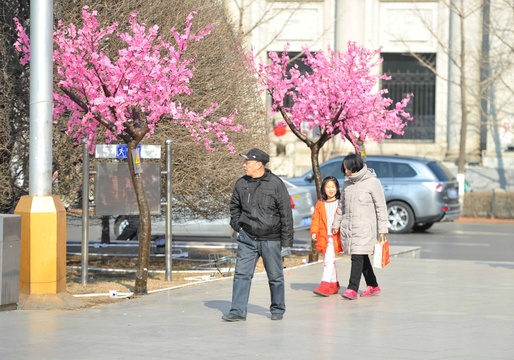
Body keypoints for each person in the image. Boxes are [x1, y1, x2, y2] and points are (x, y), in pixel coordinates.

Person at [222, 148, 294, 322]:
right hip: (247, 238)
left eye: (248, 162)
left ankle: (277, 309)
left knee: (275, 277)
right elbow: (234, 207)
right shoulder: (241, 183)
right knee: (241, 275)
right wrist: (238, 226)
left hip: (271, 239)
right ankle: (237, 311)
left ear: (259, 165)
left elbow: (286, 213)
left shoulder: (275, 184)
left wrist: (286, 241)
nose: (244, 165)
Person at [333, 153, 388, 300]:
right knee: (361, 256)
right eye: (344, 169)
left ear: (355, 166)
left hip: (365, 228)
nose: (345, 172)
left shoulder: (372, 182)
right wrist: (336, 223)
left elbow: (381, 206)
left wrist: (383, 229)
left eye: (347, 168)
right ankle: (373, 285)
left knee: (357, 256)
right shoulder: (346, 184)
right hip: (349, 226)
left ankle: (352, 288)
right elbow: (341, 206)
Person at [310, 176, 343, 296]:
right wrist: (314, 232)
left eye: (333, 187)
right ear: (323, 189)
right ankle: (332, 284)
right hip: (325, 236)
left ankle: (326, 284)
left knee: (329, 261)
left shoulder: (340, 203)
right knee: (329, 260)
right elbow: (316, 219)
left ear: (337, 188)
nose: (330, 189)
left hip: (336, 237)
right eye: (328, 187)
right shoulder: (320, 203)